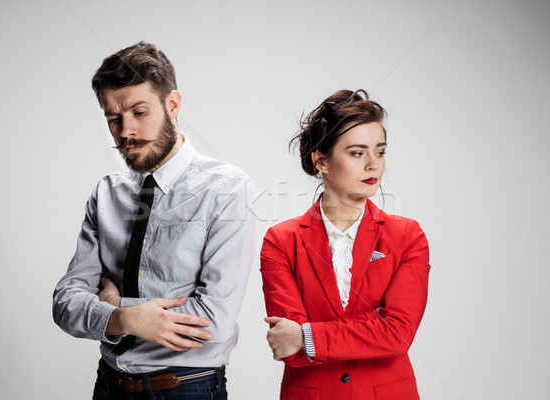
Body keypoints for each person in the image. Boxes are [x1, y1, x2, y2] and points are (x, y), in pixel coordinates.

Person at [53, 42, 255, 400]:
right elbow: (66, 302)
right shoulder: (107, 193)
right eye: (113, 118)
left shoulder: (225, 187)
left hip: (188, 389)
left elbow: (214, 320)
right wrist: (126, 319)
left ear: (172, 105)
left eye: (139, 111)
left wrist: (114, 306)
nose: (126, 131)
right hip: (109, 386)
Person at [260, 89, 430, 399]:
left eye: (380, 152)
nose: (373, 165)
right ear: (320, 161)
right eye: (357, 152)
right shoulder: (281, 241)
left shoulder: (407, 236)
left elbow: (397, 334)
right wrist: (370, 326)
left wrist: (308, 335)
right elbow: (288, 347)